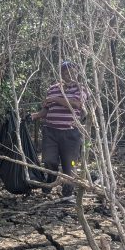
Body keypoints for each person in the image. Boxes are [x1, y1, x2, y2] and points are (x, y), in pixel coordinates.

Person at [30, 61, 88, 199]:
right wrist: (36, 115)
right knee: (49, 160)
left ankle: (67, 194)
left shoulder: (81, 89)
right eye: (65, 72)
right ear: (61, 73)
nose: (69, 74)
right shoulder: (53, 88)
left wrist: (55, 98)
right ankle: (51, 182)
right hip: (50, 132)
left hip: (71, 133)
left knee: (71, 164)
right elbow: (46, 109)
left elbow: (77, 104)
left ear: (77, 72)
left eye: (72, 71)